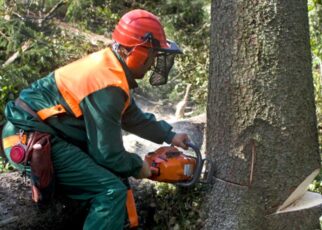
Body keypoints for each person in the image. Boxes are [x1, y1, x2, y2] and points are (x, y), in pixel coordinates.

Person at [1, 9, 189, 229]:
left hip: (46, 132)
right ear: (138, 52)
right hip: (29, 138)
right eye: (153, 56)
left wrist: (170, 135)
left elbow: (132, 117)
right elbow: (108, 155)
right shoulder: (107, 84)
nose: (152, 65)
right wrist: (143, 168)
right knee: (110, 191)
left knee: (112, 180)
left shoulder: (111, 70)